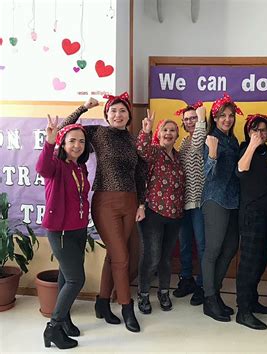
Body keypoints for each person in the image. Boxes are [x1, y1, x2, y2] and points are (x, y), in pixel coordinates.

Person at [58, 93, 146, 333]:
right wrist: (83, 108)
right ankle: (127, 308)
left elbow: (140, 172)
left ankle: (102, 302)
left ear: (129, 116)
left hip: (130, 202)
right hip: (105, 201)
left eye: (123, 111)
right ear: (107, 114)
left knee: (115, 255)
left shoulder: (131, 139)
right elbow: (64, 130)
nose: (118, 115)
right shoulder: (97, 133)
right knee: (122, 258)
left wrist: (142, 203)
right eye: (114, 111)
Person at [37, 116, 91, 349]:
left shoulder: (80, 167)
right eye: (72, 141)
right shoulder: (56, 165)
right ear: (63, 143)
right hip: (59, 231)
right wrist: (49, 142)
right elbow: (42, 167)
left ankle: (65, 319)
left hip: (78, 229)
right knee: (76, 278)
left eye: (81, 141)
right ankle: (53, 327)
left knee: (64, 276)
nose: (77, 145)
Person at [136, 114, 185, 314]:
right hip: (153, 213)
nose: (168, 133)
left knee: (166, 258)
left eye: (172, 130)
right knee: (152, 257)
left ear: (177, 135)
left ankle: (164, 292)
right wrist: (146, 130)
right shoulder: (154, 152)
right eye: (165, 129)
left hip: (175, 215)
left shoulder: (179, 156)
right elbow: (141, 149)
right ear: (159, 133)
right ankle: (143, 293)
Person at [201, 93, 241, 322]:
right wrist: (213, 155)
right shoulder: (211, 139)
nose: (227, 119)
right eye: (222, 116)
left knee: (230, 248)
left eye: (230, 115)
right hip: (215, 200)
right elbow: (209, 176)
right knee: (213, 250)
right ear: (214, 118)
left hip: (233, 200)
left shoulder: (232, 140)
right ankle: (209, 298)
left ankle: (214, 293)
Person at [235, 114, 267, 330]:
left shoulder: (264, 152)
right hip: (252, 215)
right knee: (249, 264)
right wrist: (251, 144)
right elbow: (241, 170)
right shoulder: (246, 149)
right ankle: (243, 310)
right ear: (248, 132)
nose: (260, 133)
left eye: (264, 130)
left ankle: (252, 300)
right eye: (256, 129)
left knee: (260, 262)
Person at [173, 102, 207, 306]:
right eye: (187, 119)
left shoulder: (202, 139)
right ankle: (187, 279)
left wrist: (202, 118)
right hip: (183, 201)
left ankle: (203, 285)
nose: (190, 122)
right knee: (185, 244)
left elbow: (197, 144)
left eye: (194, 118)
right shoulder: (185, 141)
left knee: (202, 245)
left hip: (200, 202)